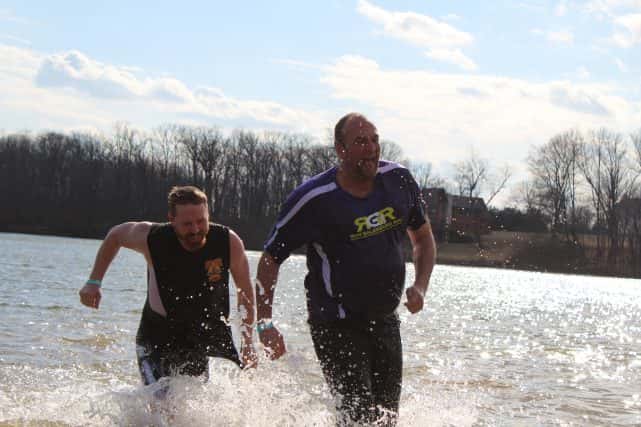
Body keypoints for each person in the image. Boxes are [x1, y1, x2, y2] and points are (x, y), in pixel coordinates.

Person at [255, 113, 437, 425]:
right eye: (361, 142)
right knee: (358, 418)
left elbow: (422, 238)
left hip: (385, 319)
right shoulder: (313, 199)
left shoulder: (399, 180)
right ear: (341, 149)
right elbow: (270, 258)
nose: (372, 148)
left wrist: (420, 286)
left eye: (375, 140)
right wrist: (264, 323)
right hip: (335, 323)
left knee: (386, 420)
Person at [79, 185, 257, 391]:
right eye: (187, 224)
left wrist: (248, 342)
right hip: (156, 337)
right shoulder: (152, 238)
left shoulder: (228, 242)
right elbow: (116, 235)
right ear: (172, 219)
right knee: (160, 401)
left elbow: (245, 291)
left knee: (194, 403)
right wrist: (94, 282)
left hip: (197, 338)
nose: (195, 230)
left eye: (201, 221)